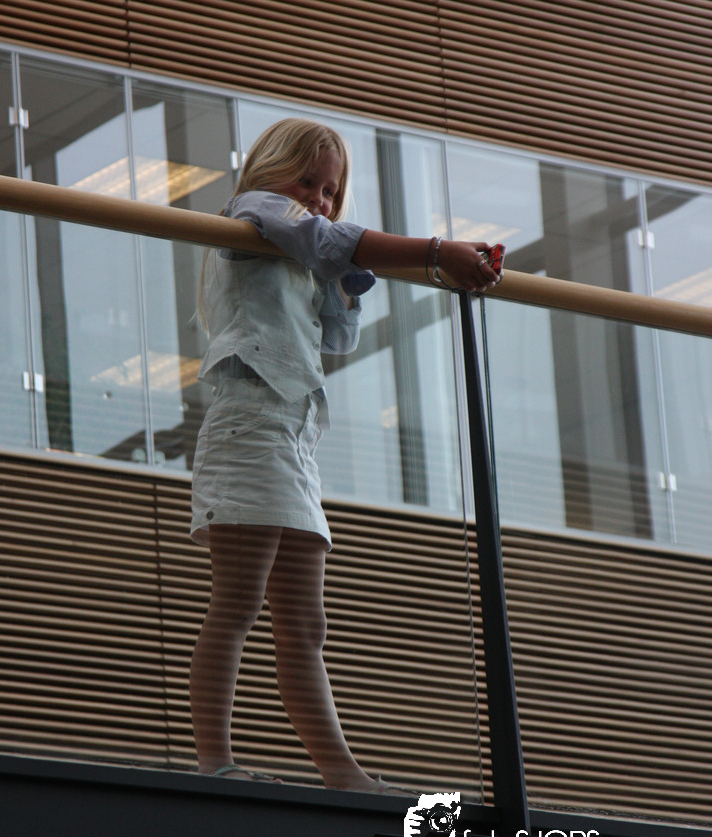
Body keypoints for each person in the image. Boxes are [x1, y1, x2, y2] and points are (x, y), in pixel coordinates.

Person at [189, 118, 501, 793]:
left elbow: (336, 335)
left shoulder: (296, 244)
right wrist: (435, 253)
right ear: (269, 170)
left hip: (292, 433)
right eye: (307, 181)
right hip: (250, 423)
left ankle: (340, 771)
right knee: (238, 601)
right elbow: (326, 240)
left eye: (330, 190)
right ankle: (213, 761)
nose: (320, 199)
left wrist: (351, 278)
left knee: (305, 623)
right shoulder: (255, 210)